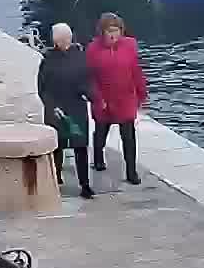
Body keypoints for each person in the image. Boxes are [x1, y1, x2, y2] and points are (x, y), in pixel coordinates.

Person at [86, 11, 147, 185]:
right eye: (110, 31)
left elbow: (136, 71)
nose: (113, 35)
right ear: (102, 32)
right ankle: (98, 158)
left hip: (125, 98)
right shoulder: (93, 49)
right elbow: (89, 77)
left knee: (128, 136)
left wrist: (142, 93)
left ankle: (131, 171)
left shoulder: (130, 45)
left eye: (116, 30)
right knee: (101, 131)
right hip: (103, 98)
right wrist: (96, 98)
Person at [37, 22, 96, 199]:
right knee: (57, 146)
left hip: (74, 108)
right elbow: (43, 89)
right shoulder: (49, 60)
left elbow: (87, 82)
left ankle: (84, 184)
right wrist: (50, 106)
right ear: (56, 41)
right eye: (62, 40)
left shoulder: (79, 57)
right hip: (58, 109)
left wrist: (93, 96)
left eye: (67, 39)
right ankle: (56, 178)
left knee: (80, 147)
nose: (65, 42)